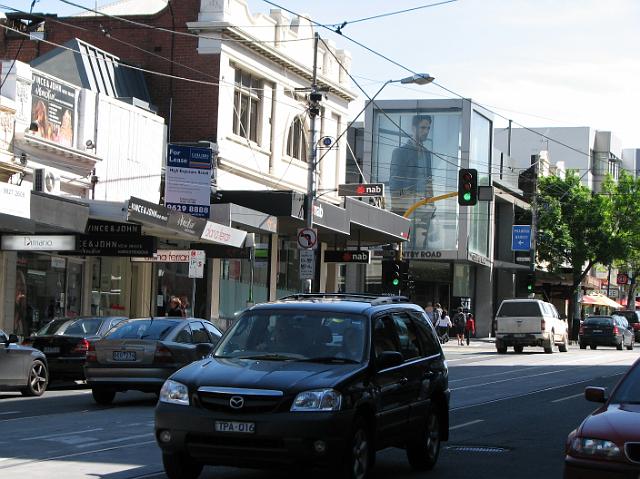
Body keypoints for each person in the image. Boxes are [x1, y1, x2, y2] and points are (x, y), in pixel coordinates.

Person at [389, 114, 437, 247]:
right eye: (422, 128)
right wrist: (401, 201)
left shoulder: (427, 154)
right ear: (413, 128)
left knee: (422, 246)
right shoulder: (400, 152)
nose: (426, 131)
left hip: (424, 208)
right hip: (406, 206)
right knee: (405, 244)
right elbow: (394, 184)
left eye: (428, 128)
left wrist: (431, 204)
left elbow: (429, 180)